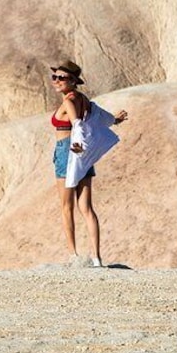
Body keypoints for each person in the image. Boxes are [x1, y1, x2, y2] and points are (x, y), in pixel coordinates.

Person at [50, 60, 127, 268]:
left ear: (73, 81)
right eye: (55, 77)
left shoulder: (69, 101)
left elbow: (77, 125)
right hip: (82, 154)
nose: (56, 81)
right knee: (86, 207)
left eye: (61, 78)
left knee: (67, 207)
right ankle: (96, 258)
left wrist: (76, 150)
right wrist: (116, 120)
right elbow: (102, 117)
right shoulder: (84, 99)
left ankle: (73, 255)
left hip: (69, 150)